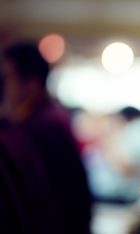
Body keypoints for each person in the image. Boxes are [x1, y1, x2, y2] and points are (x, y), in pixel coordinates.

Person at [0, 41, 92, 234]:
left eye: (7, 78)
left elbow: (51, 201)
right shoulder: (45, 118)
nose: (4, 88)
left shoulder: (42, 126)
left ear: (32, 84)